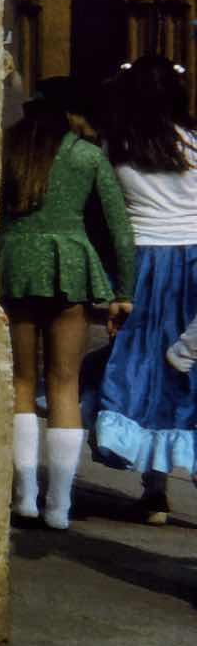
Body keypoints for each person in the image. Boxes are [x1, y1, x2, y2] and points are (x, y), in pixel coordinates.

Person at [0, 85, 134, 528]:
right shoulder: (86, 155)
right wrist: (124, 291)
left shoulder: (10, 149)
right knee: (64, 384)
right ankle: (59, 505)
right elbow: (119, 229)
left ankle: (24, 497)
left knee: (20, 382)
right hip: (71, 265)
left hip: (16, 262)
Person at [93, 57, 195, 510]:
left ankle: (155, 489)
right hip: (194, 260)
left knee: (145, 370)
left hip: (143, 264)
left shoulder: (118, 146)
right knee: (188, 372)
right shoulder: (195, 144)